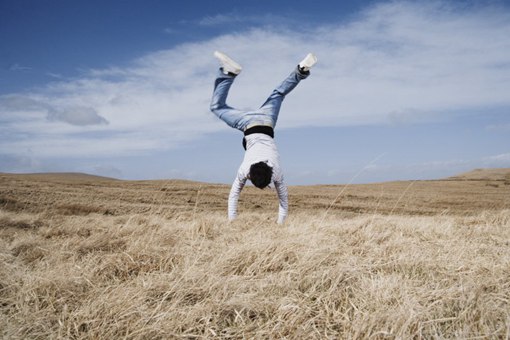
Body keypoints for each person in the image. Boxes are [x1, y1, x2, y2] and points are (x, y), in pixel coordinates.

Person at [210, 51, 317, 224]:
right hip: (248, 125)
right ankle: (228, 73)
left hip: (268, 122)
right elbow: (233, 196)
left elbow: (284, 201)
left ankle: (301, 71)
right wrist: (232, 222)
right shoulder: (245, 169)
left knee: (278, 94)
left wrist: (280, 223)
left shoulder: (277, 172)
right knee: (216, 107)